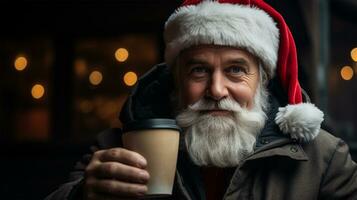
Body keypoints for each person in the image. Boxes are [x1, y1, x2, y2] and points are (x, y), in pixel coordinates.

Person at [45, 0, 357, 199]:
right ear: (176, 82)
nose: (216, 90)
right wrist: (83, 194)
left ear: (262, 81)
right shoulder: (120, 146)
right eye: (199, 71)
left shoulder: (325, 160)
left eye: (235, 70)